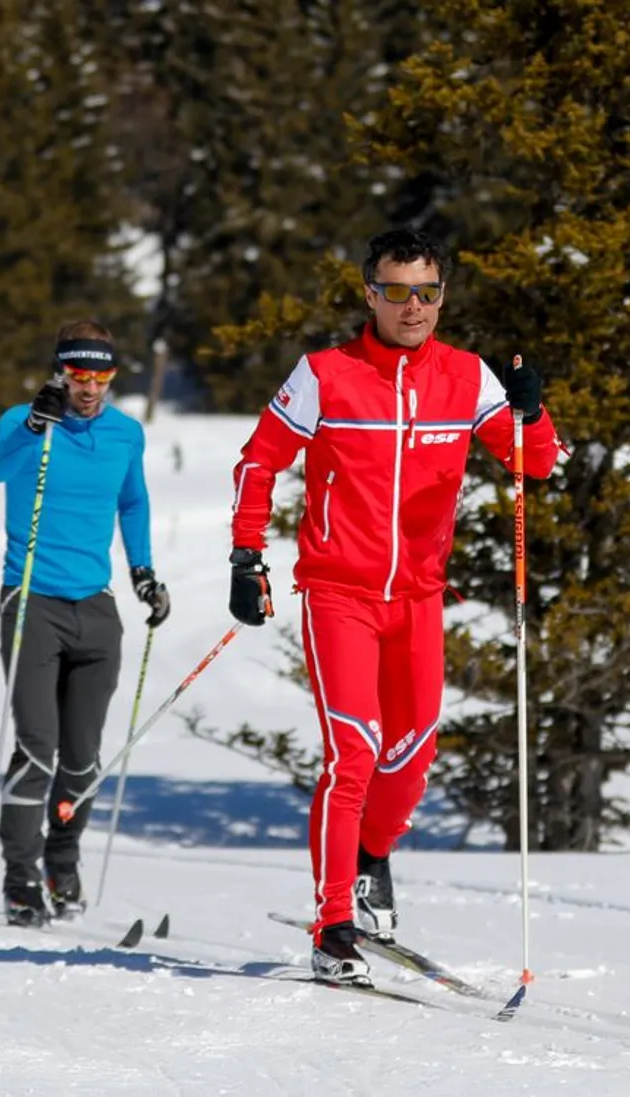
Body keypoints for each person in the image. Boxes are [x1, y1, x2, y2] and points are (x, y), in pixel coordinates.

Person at [228, 229, 560, 984]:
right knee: (354, 751)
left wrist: (529, 411)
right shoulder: (325, 375)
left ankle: (373, 852)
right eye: (398, 291)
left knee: (410, 757)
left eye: (429, 292)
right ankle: (333, 924)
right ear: (368, 293)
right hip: (340, 592)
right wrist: (247, 554)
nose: (415, 307)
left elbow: (533, 461)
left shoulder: (466, 377)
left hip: (416, 598)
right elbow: (260, 458)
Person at [0, 320, 171, 926]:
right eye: (79, 375)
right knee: (38, 748)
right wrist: (37, 425)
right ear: (61, 372)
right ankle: (20, 877)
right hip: (31, 599)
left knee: (82, 758)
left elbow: (132, 502)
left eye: (102, 377)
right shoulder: (25, 420)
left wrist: (143, 571)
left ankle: (61, 862)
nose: (89, 388)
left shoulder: (125, 433)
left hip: (95, 608)